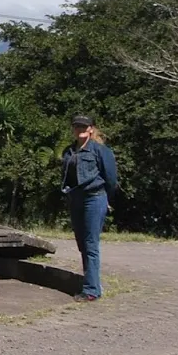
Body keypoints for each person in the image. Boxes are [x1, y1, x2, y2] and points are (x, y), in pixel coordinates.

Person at [60, 114, 118, 301]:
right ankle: (91, 281)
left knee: (91, 244)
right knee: (82, 244)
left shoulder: (100, 151)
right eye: (77, 126)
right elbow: (66, 176)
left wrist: (106, 199)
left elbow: (111, 179)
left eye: (84, 127)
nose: (80, 130)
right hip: (76, 199)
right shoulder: (69, 151)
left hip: (95, 198)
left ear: (91, 129)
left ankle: (92, 290)